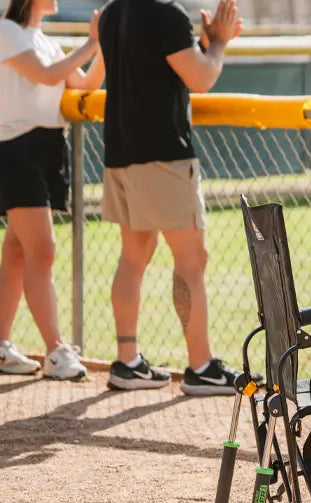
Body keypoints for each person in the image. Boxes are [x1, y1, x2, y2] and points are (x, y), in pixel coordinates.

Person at [97, 0, 243, 395]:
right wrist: (219, 44)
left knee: (133, 255)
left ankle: (127, 363)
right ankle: (201, 367)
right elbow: (201, 77)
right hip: (162, 155)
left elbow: (154, 65)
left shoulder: (113, 12)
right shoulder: (166, 12)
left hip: (120, 152)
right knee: (191, 260)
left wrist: (204, 39)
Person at [0, 0, 105, 380]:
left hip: (44, 148)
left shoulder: (43, 39)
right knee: (42, 251)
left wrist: (103, 44)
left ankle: (1, 345)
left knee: (17, 250)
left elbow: (85, 83)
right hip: (17, 149)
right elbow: (47, 76)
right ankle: (56, 349)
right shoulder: (6, 31)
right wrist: (91, 42)